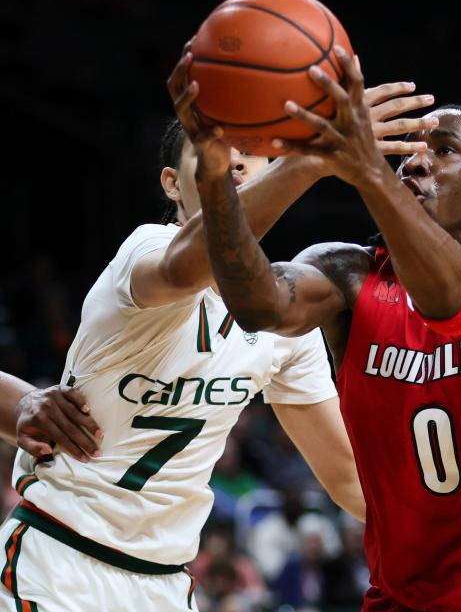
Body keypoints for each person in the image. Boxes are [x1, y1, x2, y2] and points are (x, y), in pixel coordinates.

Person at [0, 46, 436, 612]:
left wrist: (459, 535)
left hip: (165, 583)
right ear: (173, 185)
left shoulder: (286, 319)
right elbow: (195, 257)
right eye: (209, 152)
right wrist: (311, 158)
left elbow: (352, 480)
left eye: (251, 151)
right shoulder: (146, 253)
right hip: (61, 559)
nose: (232, 159)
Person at [197, 46, 461, 610]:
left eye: (444, 151)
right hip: (399, 600)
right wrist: (224, 180)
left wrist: (367, 170)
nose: (413, 162)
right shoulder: (348, 274)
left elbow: (454, 301)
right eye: (406, 151)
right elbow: (255, 305)